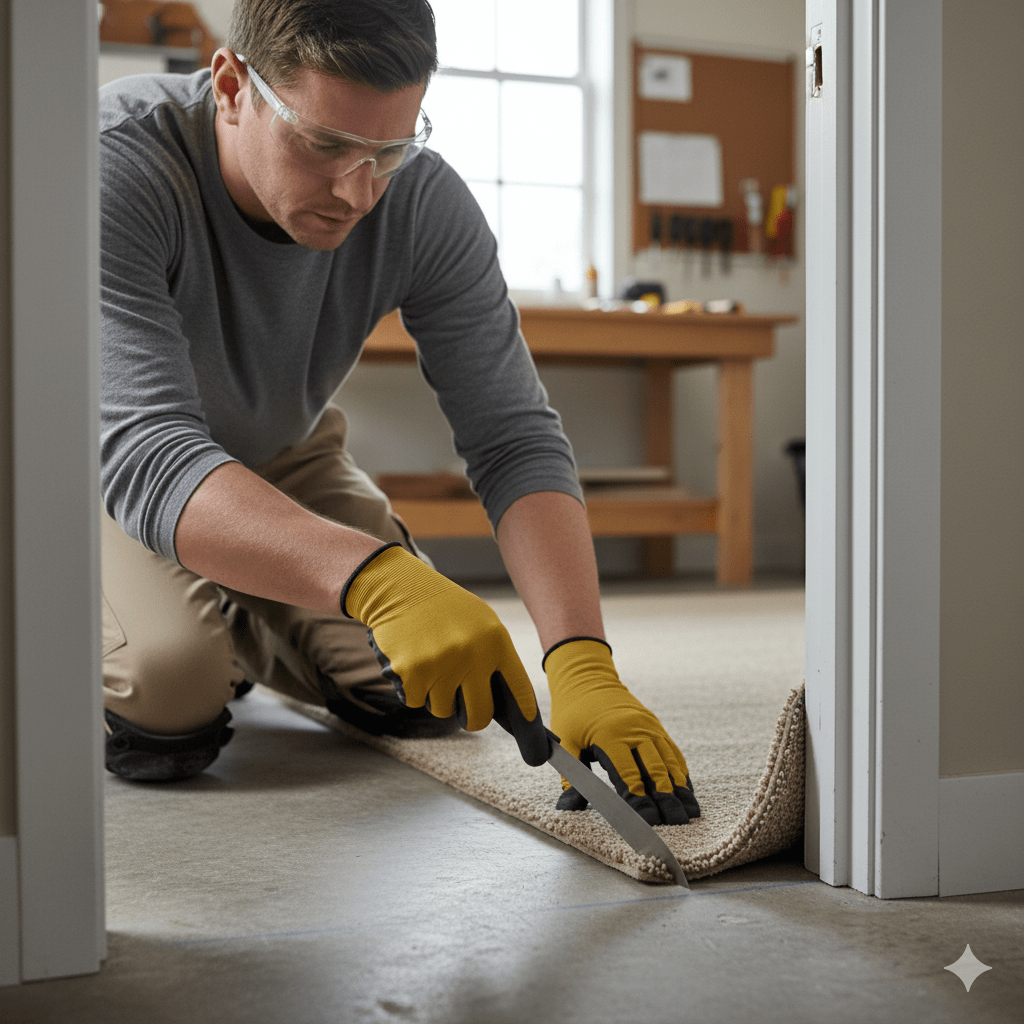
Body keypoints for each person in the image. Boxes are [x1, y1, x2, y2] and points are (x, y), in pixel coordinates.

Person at [99, 0, 700, 827]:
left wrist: (582, 661)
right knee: (170, 691)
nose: (358, 191)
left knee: (429, 688)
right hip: (102, 467)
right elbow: (150, 453)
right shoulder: (114, 167)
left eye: (390, 146)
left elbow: (512, 435)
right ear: (232, 84)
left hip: (280, 449)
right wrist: (377, 579)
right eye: (324, 144)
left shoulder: (419, 198)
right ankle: (182, 614)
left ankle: (241, 593)